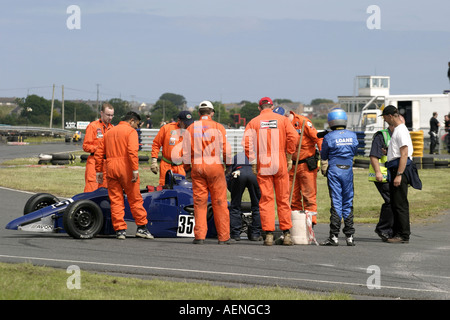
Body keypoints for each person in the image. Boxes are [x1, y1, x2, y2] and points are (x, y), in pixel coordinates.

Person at [242, 97, 298, 246]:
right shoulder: (283, 120)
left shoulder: (253, 122)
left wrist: (253, 160)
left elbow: (246, 144)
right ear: (272, 107)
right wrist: (289, 155)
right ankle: (286, 234)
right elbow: (294, 136)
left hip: (263, 163)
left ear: (259, 108)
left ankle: (268, 235)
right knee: (283, 199)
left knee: (266, 200)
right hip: (280, 161)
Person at [94, 111, 153, 240]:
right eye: (137, 124)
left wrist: (98, 171)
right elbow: (132, 151)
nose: (137, 127)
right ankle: (142, 227)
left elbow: (98, 153)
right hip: (126, 168)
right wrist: (135, 170)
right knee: (135, 199)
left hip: (111, 168)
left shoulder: (109, 132)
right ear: (131, 121)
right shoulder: (130, 132)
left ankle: (120, 230)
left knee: (115, 200)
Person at [182, 100, 232, 244]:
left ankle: (199, 236)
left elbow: (185, 151)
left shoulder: (191, 128)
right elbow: (226, 149)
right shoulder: (218, 127)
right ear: (212, 112)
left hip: (197, 166)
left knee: (199, 202)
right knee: (220, 202)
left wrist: (187, 169)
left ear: (199, 113)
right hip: (215, 166)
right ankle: (223, 237)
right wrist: (228, 165)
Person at [273, 107, 322, 226]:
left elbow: (318, 138)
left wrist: (323, 158)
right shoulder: (281, 126)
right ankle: (296, 223)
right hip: (290, 166)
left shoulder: (303, 122)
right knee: (292, 197)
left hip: (306, 165)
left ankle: (311, 224)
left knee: (309, 196)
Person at [382, 105, 422, 243]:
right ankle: (397, 232)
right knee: (395, 203)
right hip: (396, 167)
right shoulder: (398, 131)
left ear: (390, 116)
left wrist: (399, 174)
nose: (385, 121)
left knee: (400, 204)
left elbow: (404, 154)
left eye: (386, 118)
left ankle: (403, 234)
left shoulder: (401, 131)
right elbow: (399, 152)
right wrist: (388, 152)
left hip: (400, 169)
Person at [320, 108, 359, 246]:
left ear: (330, 122)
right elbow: (354, 150)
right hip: (348, 170)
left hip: (334, 170)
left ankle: (334, 236)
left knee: (336, 202)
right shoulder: (353, 135)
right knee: (348, 201)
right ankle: (350, 236)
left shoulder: (329, 137)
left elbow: (324, 154)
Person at [150, 111, 194, 186]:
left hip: (181, 167)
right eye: (185, 123)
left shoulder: (191, 132)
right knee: (165, 188)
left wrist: (190, 168)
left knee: (181, 189)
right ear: (179, 121)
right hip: (166, 165)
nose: (187, 125)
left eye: (189, 123)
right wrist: (154, 160)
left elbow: (193, 151)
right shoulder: (167, 128)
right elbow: (156, 144)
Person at [227, 152, 262, 241]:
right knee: (257, 206)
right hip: (253, 174)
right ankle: (255, 234)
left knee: (235, 206)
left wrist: (234, 191)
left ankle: (235, 234)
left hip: (238, 173)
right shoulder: (256, 155)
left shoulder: (236, 156)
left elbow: (228, 175)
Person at [369, 123, 394, 241]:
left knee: (394, 201)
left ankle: (389, 229)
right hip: (382, 175)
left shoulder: (400, 135)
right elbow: (374, 155)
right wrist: (378, 172)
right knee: (390, 201)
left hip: (393, 175)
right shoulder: (381, 136)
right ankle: (383, 229)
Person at [82, 103, 114, 192]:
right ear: (101, 113)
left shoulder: (113, 129)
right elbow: (86, 146)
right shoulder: (93, 126)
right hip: (94, 161)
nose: (110, 118)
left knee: (105, 191)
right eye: (108, 115)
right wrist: (99, 149)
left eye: (112, 115)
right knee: (91, 188)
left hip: (107, 163)